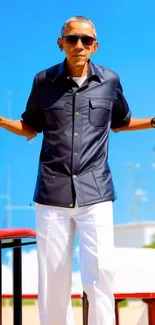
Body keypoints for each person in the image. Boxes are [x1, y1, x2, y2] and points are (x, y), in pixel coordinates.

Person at [0, 15, 155, 325]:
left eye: (86, 40)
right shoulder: (43, 82)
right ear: (61, 43)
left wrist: (153, 122)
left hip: (95, 191)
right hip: (51, 194)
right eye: (72, 39)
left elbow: (121, 122)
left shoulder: (110, 81)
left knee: (100, 275)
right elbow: (30, 127)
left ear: (95, 46)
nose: (79, 45)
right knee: (53, 281)